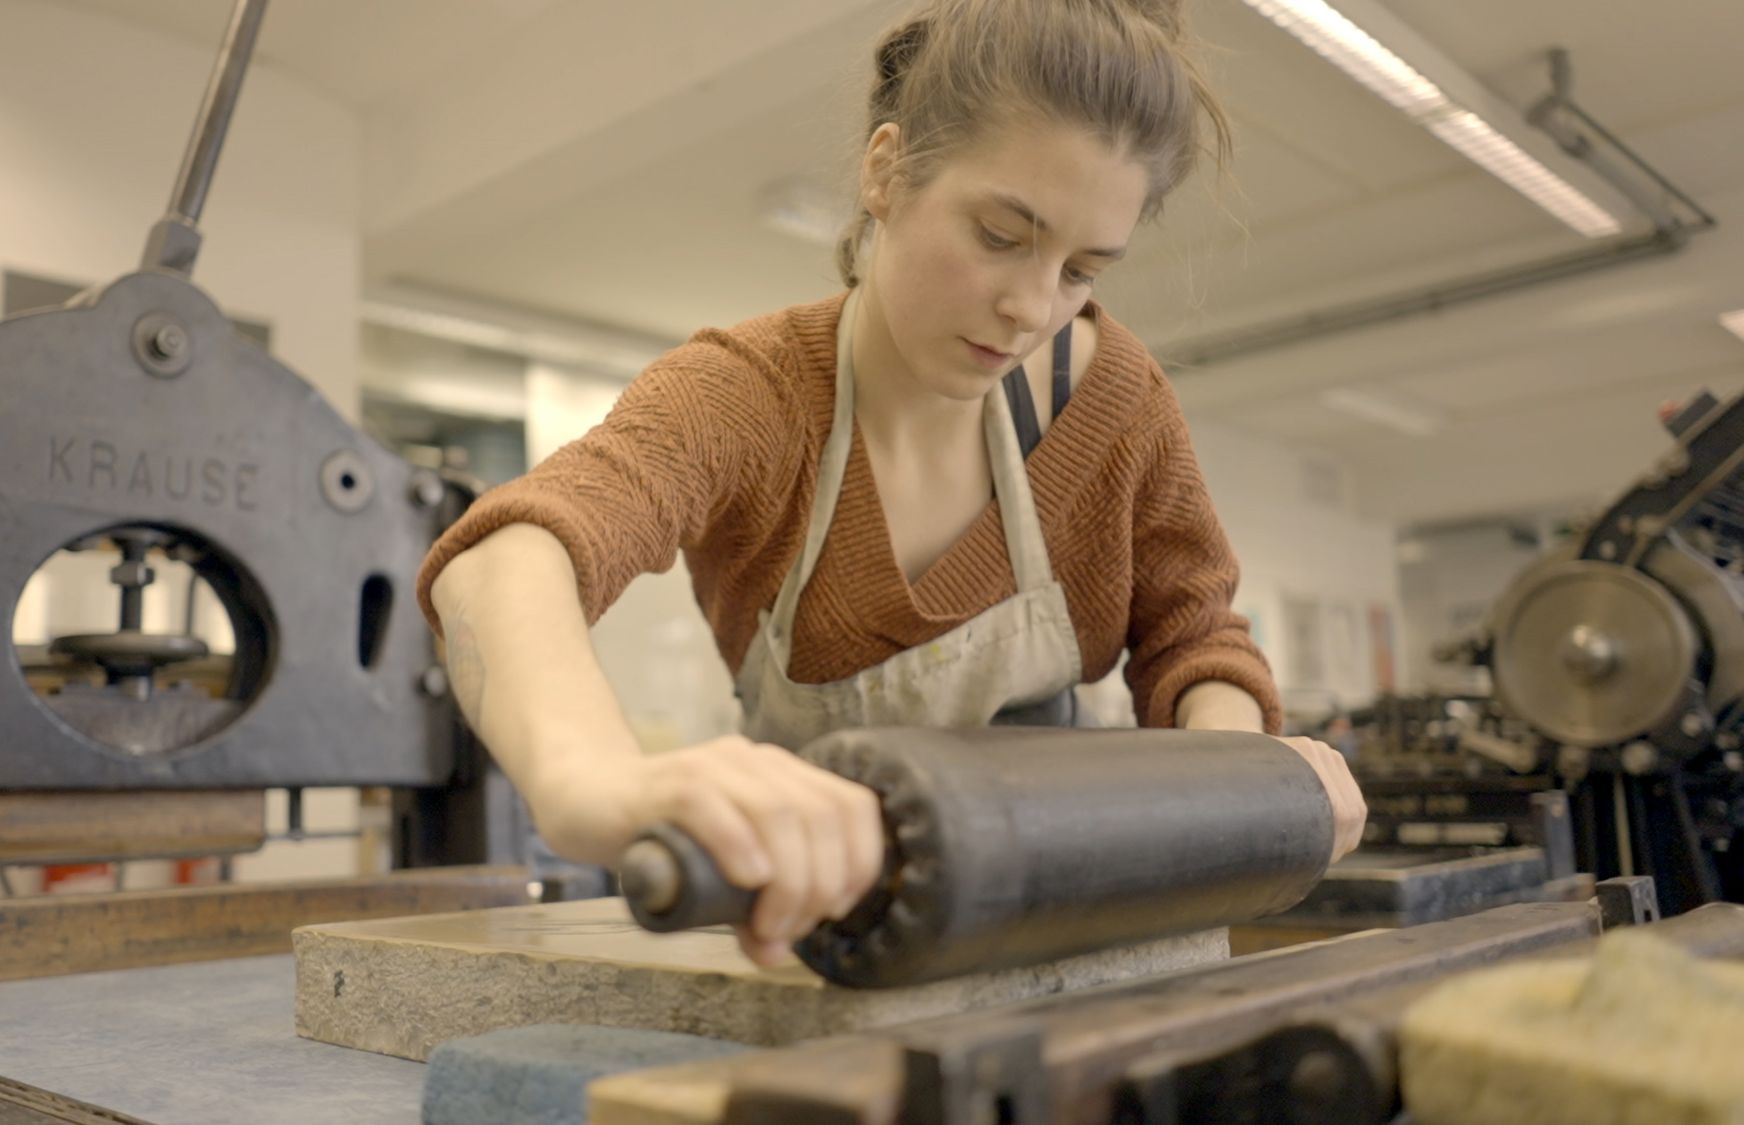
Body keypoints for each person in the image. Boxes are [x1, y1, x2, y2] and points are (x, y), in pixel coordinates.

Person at [418, 0, 1368, 968]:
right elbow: (499, 567)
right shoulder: (752, 398)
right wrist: (598, 786)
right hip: (812, 958)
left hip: (1070, 948)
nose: (1031, 306)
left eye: (1081, 269)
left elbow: (1191, 638)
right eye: (1001, 234)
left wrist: (1238, 786)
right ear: (885, 170)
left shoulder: (1115, 406)